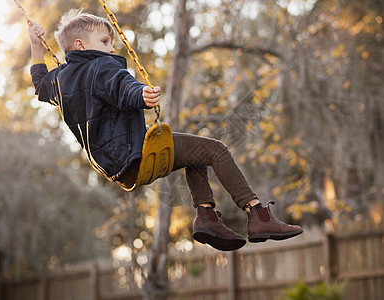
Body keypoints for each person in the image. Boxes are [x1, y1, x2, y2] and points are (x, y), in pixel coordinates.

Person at [28, 9, 302, 251]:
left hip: (117, 170)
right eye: (104, 41)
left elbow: (40, 86)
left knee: (196, 154)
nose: (112, 48)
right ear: (81, 45)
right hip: (134, 153)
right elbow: (121, 85)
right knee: (216, 149)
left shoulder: (60, 80)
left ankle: (206, 217)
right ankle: (258, 216)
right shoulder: (103, 66)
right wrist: (142, 93)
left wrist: (35, 47)